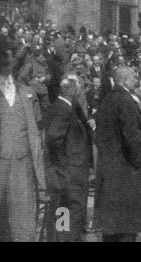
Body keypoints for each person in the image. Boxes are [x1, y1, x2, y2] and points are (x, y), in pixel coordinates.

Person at [95, 67, 141, 242]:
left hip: (111, 168)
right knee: (127, 224)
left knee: (114, 226)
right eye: (133, 77)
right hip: (127, 170)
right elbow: (132, 136)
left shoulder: (108, 99)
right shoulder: (125, 101)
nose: (136, 79)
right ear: (123, 80)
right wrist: (140, 162)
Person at [0, 49, 45, 242]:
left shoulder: (27, 93)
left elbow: (36, 133)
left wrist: (42, 179)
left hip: (22, 160)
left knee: (23, 213)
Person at [43, 74, 93, 242]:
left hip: (69, 170)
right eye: (80, 89)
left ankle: (63, 238)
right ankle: (66, 239)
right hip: (71, 171)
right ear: (72, 89)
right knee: (72, 210)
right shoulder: (64, 109)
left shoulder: (62, 107)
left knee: (63, 210)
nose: (81, 92)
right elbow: (52, 137)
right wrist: (62, 166)